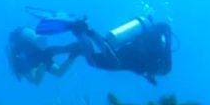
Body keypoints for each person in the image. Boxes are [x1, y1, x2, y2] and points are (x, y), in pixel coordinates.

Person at [22, 7, 173, 85]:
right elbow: (153, 65)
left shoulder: (152, 62)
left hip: (128, 50)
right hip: (124, 56)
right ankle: (83, 31)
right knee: (106, 60)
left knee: (98, 58)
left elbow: (149, 68)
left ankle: (79, 34)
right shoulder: (160, 65)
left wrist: (150, 77)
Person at [70, 16, 172, 85]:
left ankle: (80, 32)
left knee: (93, 61)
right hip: (128, 56)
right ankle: (87, 30)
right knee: (113, 62)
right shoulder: (162, 60)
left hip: (127, 53)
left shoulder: (154, 65)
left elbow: (148, 68)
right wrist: (168, 38)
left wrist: (149, 77)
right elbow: (158, 57)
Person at [6, 26, 80, 84]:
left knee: (35, 81)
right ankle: (74, 54)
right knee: (59, 72)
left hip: (35, 58)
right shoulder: (24, 41)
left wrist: (21, 73)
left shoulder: (15, 47)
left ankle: (43, 64)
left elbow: (14, 60)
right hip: (43, 51)